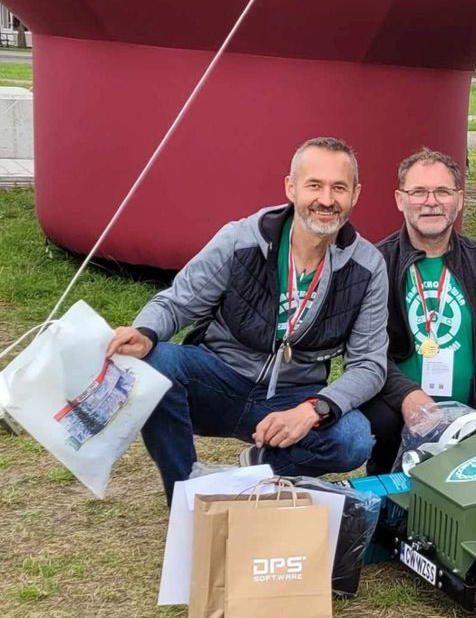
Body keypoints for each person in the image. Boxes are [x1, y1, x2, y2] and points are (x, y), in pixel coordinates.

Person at [107, 137, 387, 503]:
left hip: (290, 397)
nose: (326, 200)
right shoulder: (241, 238)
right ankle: (184, 496)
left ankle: (253, 473)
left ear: (356, 194)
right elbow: (178, 302)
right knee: (157, 363)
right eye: (314, 185)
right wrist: (145, 332)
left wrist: (313, 409)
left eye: (339, 188)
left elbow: (368, 364)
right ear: (290, 187)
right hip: (218, 377)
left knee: (353, 439)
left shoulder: (368, 266)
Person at [362, 148, 476, 472]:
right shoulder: (377, 264)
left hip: (472, 411)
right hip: (397, 411)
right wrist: (407, 396)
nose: (431, 201)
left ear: (459, 199)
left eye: (442, 191)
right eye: (418, 191)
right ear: (399, 199)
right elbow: (367, 350)